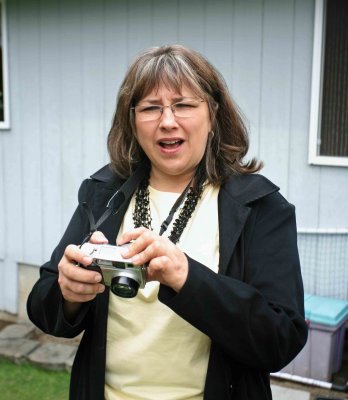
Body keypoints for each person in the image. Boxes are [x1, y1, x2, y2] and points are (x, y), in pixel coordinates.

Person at [27, 44, 308, 400]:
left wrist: (186, 277)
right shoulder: (103, 194)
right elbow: (42, 304)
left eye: (184, 105)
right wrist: (67, 294)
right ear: (132, 120)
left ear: (214, 113)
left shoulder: (259, 206)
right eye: (150, 108)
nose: (167, 121)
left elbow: (282, 339)